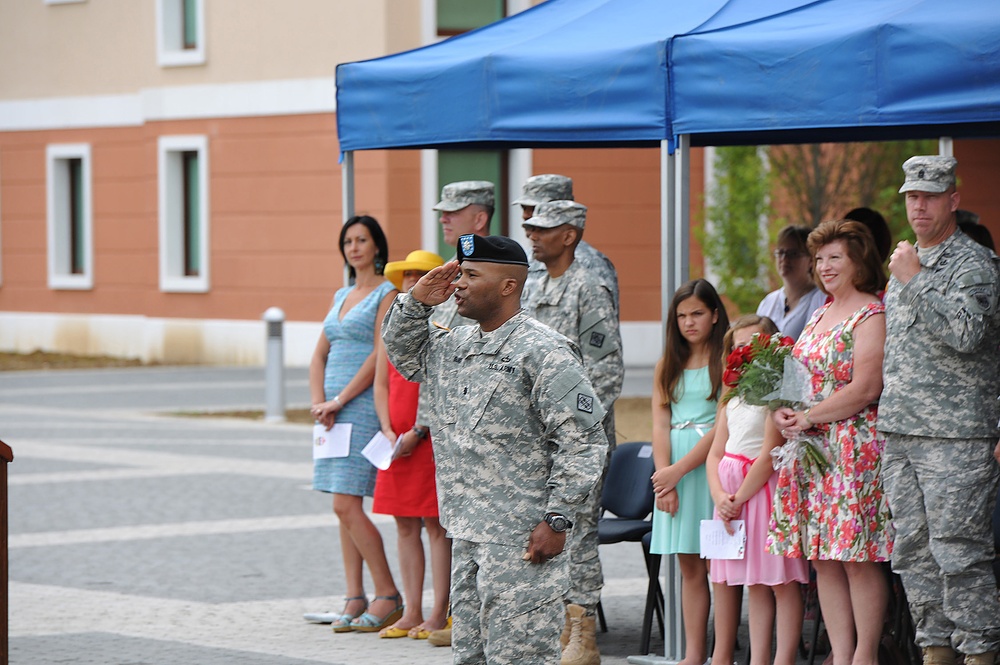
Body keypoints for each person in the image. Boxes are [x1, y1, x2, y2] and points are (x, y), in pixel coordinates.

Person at [381, 234, 608, 665]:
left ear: (508, 286)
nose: (459, 284)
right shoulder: (452, 345)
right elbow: (402, 353)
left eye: (470, 274)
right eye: (458, 274)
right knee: (470, 658)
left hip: (521, 540)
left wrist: (557, 518)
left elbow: (583, 441)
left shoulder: (544, 351)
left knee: (519, 658)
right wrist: (416, 301)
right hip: (465, 535)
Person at [878, 155, 1000, 665]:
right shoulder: (906, 263)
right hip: (902, 433)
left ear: (952, 200)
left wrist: (915, 278)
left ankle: (980, 652)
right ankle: (935, 650)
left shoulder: (973, 265)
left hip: (956, 438)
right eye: (912, 196)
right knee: (913, 551)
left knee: (959, 552)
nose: (919, 205)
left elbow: (967, 335)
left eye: (929, 195)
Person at [769, 219, 894, 665]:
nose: (824, 267)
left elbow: (866, 387)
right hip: (810, 449)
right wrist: (783, 409)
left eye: (834, 258)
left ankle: (864, 655)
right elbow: (800, 377)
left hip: (851, 449)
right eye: (819, 259)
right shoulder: (820, 312)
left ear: (859, 261)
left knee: (856, 557)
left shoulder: (871, 313)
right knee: (824, 557)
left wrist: (808, 416)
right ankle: (840, 655)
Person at [521, 200, 624, 665]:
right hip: (532, 437)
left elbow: (607, 371)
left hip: (577, 440)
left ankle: (581, 632)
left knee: (577, 531)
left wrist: (570, 424)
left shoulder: (589, 286)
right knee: (535, 528)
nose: (534, 235)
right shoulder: (533, 284)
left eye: (544, 229)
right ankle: (545, 624)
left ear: (570, 235)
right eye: (531, 228)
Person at [304, 215, 402, 633]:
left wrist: (340, 399)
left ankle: (387, 595)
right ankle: (354, 594)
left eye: (362, 239)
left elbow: (379, 355)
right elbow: (318, 354)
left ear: (377, 246)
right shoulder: (341, 293)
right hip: (330, 412)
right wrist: (318, 403)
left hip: (359, 406)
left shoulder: (386, 293)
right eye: (348, 240)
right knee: (343, 506)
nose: (354, 247)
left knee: (345, 502)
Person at [706, 314, 809, 665]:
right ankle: (758, 657)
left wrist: (739, 498)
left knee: (779, 580)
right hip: (732, 498)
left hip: (761, 494)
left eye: (753, 344)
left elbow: (768, 455)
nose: (745, 351)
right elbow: (716, 452)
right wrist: (720, 496)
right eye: (738, 346)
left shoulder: (775, 397)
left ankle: (783, 658)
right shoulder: (730, 396)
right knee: (756, 582)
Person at [371, 249, 451, 640]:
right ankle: (412, 609)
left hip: (425, 439)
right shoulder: (394, 325)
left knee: (435, 526)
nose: (412, 282)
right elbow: (380, 382)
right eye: (407, 276)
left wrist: (417, 432)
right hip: (395, 440)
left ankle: (439, 611)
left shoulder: (441, 325)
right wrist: (387, 430)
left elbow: (437, 389)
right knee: (404, 525)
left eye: (420, 275)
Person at [649, 278, 729, 665]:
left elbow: (722, 426)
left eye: (697, 313)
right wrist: (664, 480)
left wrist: (678, 470)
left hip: (709, 466)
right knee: (689, 568)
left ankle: (722, 652)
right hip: (674, 475)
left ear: (715, 314)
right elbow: (660, 424)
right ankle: (693, 654)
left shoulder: (728, 359)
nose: (689, 322)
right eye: (681, 315)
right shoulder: (669, 363)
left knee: (721, 568)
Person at [514, 174, 619, 308]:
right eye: (524, 208)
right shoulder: (528, 257)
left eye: (534, 208)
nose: (526, 215)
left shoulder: (590, 263)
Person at [429, 180, 496, 331]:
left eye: (453, 212)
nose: (443, 219)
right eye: (443, 213)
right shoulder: (446, 271)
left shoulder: (500, 273)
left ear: (479, 220)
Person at [757, 225, 829, 340]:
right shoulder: (769, 302)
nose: (785, 259)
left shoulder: (821, 299)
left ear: (811, 260)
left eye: (793, 254)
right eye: (781, 253)